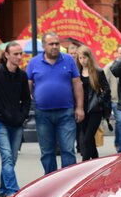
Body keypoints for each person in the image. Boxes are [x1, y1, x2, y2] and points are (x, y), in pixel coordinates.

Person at [26, 31, 85, 173]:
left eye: (57, 44)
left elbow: (77, 84)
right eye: (51, 44)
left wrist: (80, 107)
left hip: (66, 112)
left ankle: (68, 183)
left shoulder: (69, 60)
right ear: (44, 46)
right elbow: (28, 84)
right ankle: (50, 181)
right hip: (42, 113)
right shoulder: (34, 62)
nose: (55, 47)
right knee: (47, 152)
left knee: (68, 150)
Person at [0, 42, 31, 197]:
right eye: (16, 54)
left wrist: (23, 115)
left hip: (17, 122)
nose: (19, 57)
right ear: (7, 55)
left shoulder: (22, 75)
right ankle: (12, 190)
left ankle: (2, 189)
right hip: (0, 122)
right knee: (7, 157)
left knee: (12, 158)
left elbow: (26, 99)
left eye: (20, 54)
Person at [75, 46, 111, 161]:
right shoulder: (77, 72)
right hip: (81, 109)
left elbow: (106, 89)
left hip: (95, 110)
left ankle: (84, 164)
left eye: (84, 57)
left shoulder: (98, 71)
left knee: (86, 139)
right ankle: (96, 161)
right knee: (89, 140)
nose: (82, 60)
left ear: (89, 58)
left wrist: (98, 101)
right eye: (80, 58)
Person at [103, 44, 121, 151]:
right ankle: (119, 144)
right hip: (115, 100)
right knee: (120, 121)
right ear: (116, 54)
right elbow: (104, 83)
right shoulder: (109, 67)